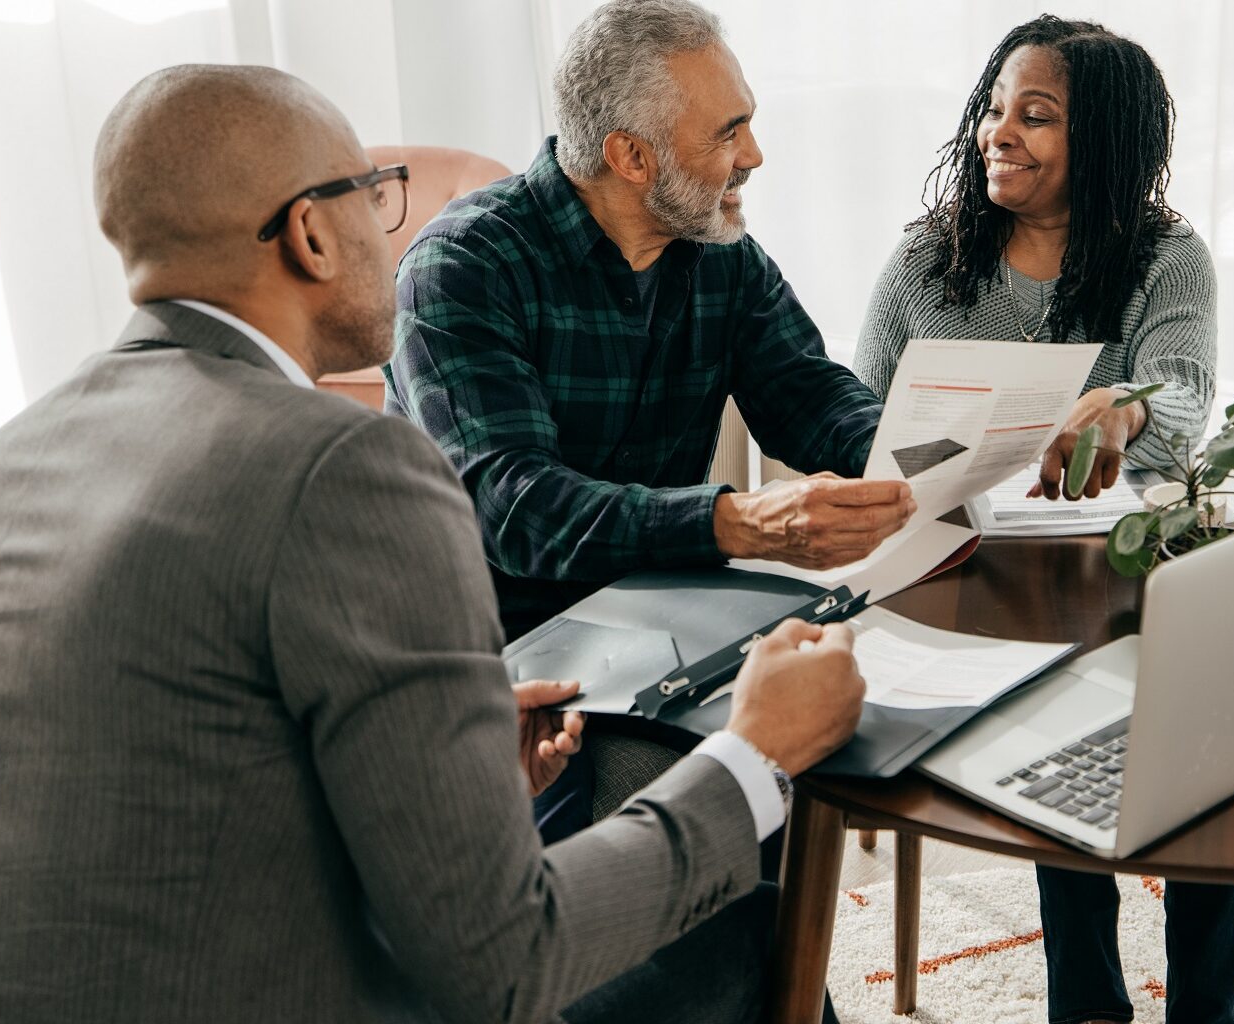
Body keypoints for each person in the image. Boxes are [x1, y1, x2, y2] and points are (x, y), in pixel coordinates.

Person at [0, 64, 867, 1024]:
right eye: (374, 193)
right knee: (749, 931)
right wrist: (751, 753)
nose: (391, 225)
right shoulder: (348, 469)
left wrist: (447, 757)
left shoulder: (5, 458)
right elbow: (504, 967)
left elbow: (180, 766)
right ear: (312, 232)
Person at [386, 0, 911, 843]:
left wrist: (938, 451)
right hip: (497, 651)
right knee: (648, 853)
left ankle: (783, 975)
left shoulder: (720, 252)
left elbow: (811, 396)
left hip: (662, 620)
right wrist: (732, 522)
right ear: (631, 156)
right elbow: (518, 508)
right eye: (727, 133)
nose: (754, 156)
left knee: (819, 756)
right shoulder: (462, 268)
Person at [853, 16, 1234, 1024]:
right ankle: (1088, 1003)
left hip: (1134, 575)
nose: (999, 133)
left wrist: (1131, 401)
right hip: (980, 578)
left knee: (1207, 767)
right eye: (994, 109)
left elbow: (1191, 388)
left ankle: (1204, 1005)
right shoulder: (925, 261)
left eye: (1036, 116)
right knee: (1053, 766)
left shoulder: (1167, 257)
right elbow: (857, 412)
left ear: (1102, 142)